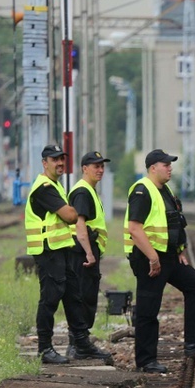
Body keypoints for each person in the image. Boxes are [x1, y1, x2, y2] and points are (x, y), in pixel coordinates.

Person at [125, 149, 195, 373]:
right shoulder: (142, 190)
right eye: (165, 164)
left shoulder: (164, 190)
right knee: (149, 309)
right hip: (149, 258)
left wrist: (179, 249)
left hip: (168, 256)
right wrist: (152, 257)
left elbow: (174, 221)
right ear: (152, 168)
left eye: (170, 164)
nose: (170, 168)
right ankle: (146, 361)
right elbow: (134, 229)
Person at [25, 145, 102, 364]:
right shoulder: (44, 187)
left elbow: (68, 213)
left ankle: (82, 342)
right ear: (44, 163)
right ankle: (45, 349)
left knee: (72, 296)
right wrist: (70, 210)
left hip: (60, 249)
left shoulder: (56, 186)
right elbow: (70, 215)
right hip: (48, 250)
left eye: (62, 159)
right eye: (54, 159)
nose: (59, 163)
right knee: (50, 299)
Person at [66, 151, 114, 361]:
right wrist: (88, 252)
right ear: (85, 168)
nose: (100, 169)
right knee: (84, 297)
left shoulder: (88, 191)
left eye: (102, 166)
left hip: (84, 251)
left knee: (85, 296)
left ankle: (77, 345)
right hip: (82, 252)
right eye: (96, 166)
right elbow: (80, 225)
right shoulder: (83, 192)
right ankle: (80, 345)